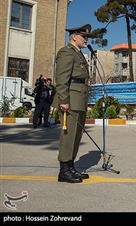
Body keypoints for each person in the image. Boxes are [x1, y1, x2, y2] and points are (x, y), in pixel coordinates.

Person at [55, 23, 91, 183]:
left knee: (77, 134)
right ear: (74, 36)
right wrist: (63, 100)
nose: (86, 39)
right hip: (70, 98)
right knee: (68, 134)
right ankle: (64, 170)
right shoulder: (66, 52)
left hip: (79, 98)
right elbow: (62, 79)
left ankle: (70, 166)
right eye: (84, 36)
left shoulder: (79, 54)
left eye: (87, 36)